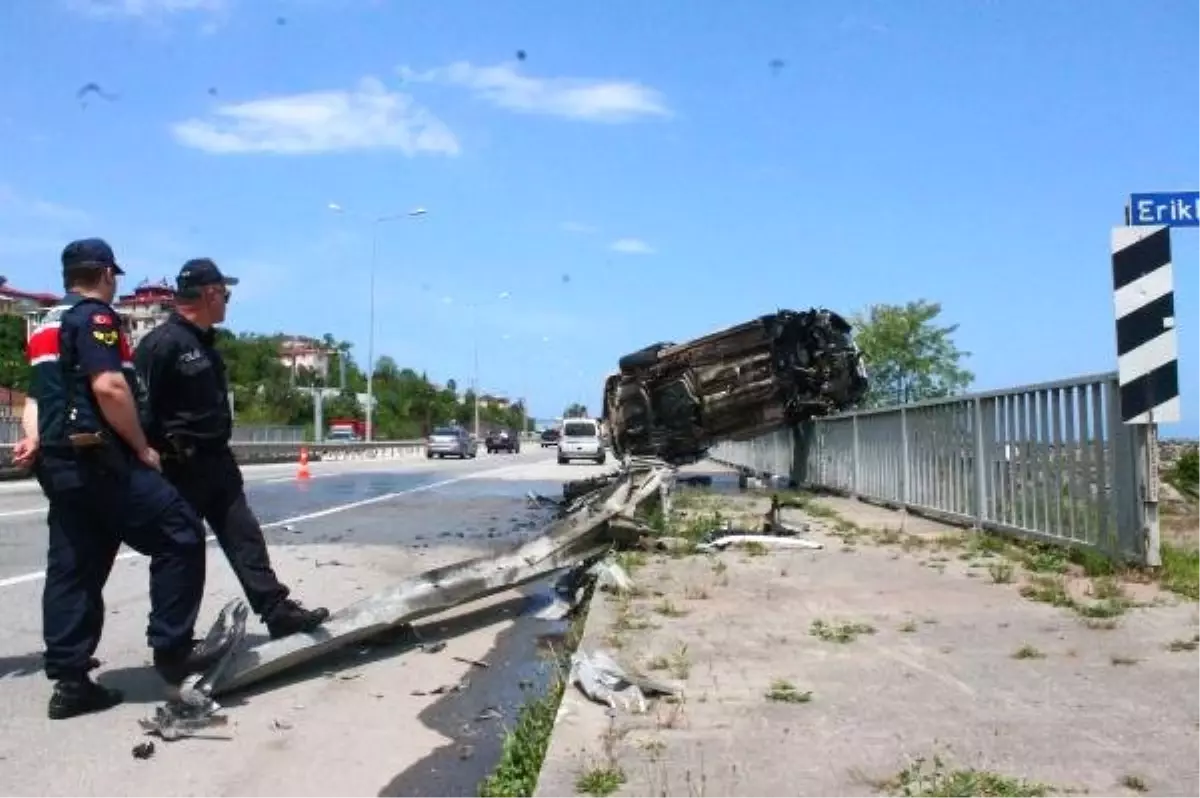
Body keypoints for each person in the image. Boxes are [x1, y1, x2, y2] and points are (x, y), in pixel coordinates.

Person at [15, 238, 230, 720]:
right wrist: (140, 447)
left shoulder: (45, 325)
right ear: (107, 274)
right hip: (99, 459)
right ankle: (173, 652)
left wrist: (34, 439)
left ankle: (70, 682)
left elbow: (35, 396)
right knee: (179, 531)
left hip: (56, 461)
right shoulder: (95, 318)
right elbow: (109, 387)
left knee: (75, 563)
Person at [134, 258, 330, 639]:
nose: (227, 301)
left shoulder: (206, 345)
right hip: (178, 468)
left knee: (245, 538)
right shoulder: (162, 345)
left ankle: (276, 610)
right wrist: (147, 457)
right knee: (181, 554)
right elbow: (142, 408)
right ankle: (174, 641)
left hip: (216, 463)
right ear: (209, 294)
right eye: (225, 293)